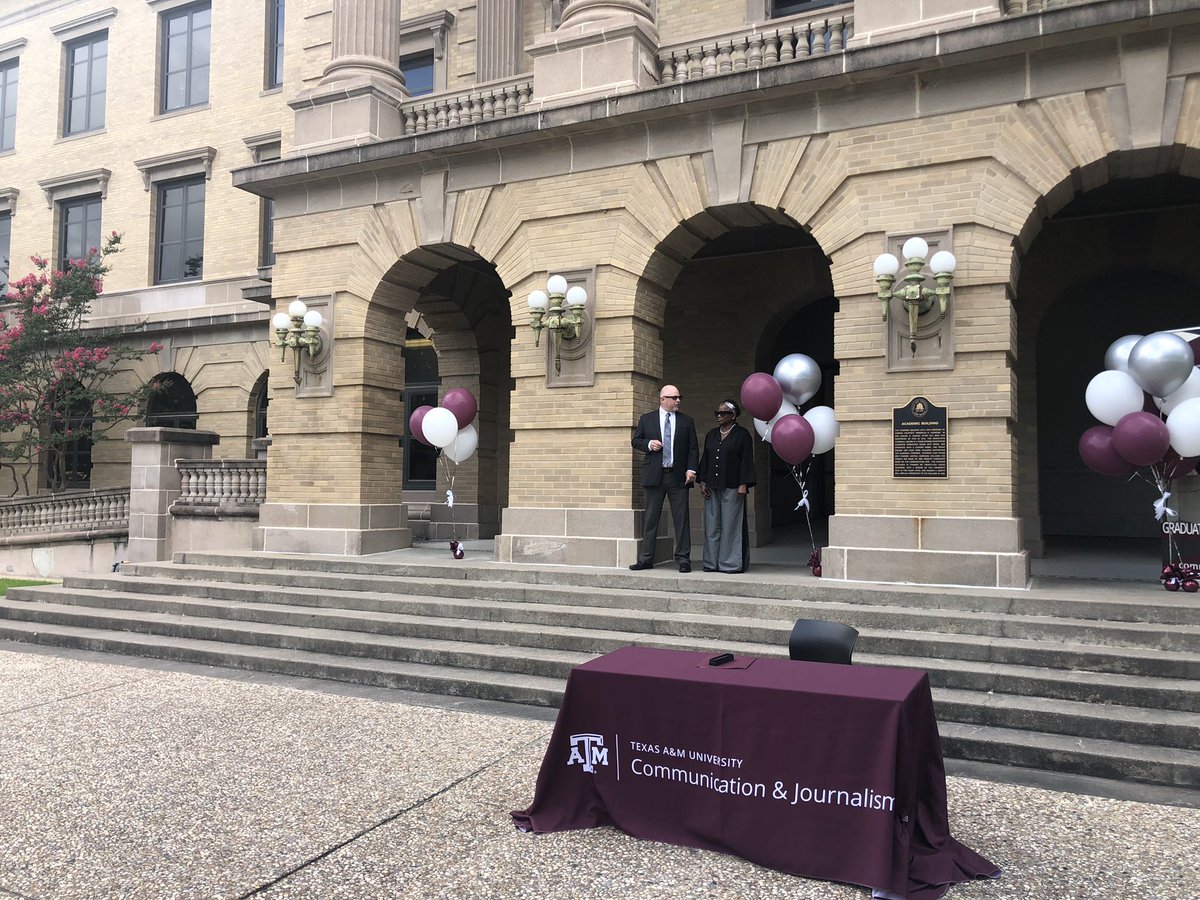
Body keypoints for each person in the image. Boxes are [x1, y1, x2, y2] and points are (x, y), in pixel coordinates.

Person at [630, 384, 699, 572]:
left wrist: (692, 469)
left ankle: (683, 559)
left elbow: (693, 447)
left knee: (681, 520)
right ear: (663, 399)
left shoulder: (686, 421)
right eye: (674, 397)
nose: (678, 401)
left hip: (678, 478)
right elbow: (635, 441)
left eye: (679, 397)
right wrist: (649, 444)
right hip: (655, 475)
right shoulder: (647, 419)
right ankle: (646, 559)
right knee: (651, 519)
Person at [698, 399, 756, 573]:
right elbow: (705, 459)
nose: (719, 416)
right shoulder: (711, 434)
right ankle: (711, 563)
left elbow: (746, 461)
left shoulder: (742, 434)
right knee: (711, 526)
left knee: (731, 526)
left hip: (733, 486)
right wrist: (702, 482)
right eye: (717, 413)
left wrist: (743, 484)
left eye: (723, 413)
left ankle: (730, 564)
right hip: (712, 486)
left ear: (734, 415)